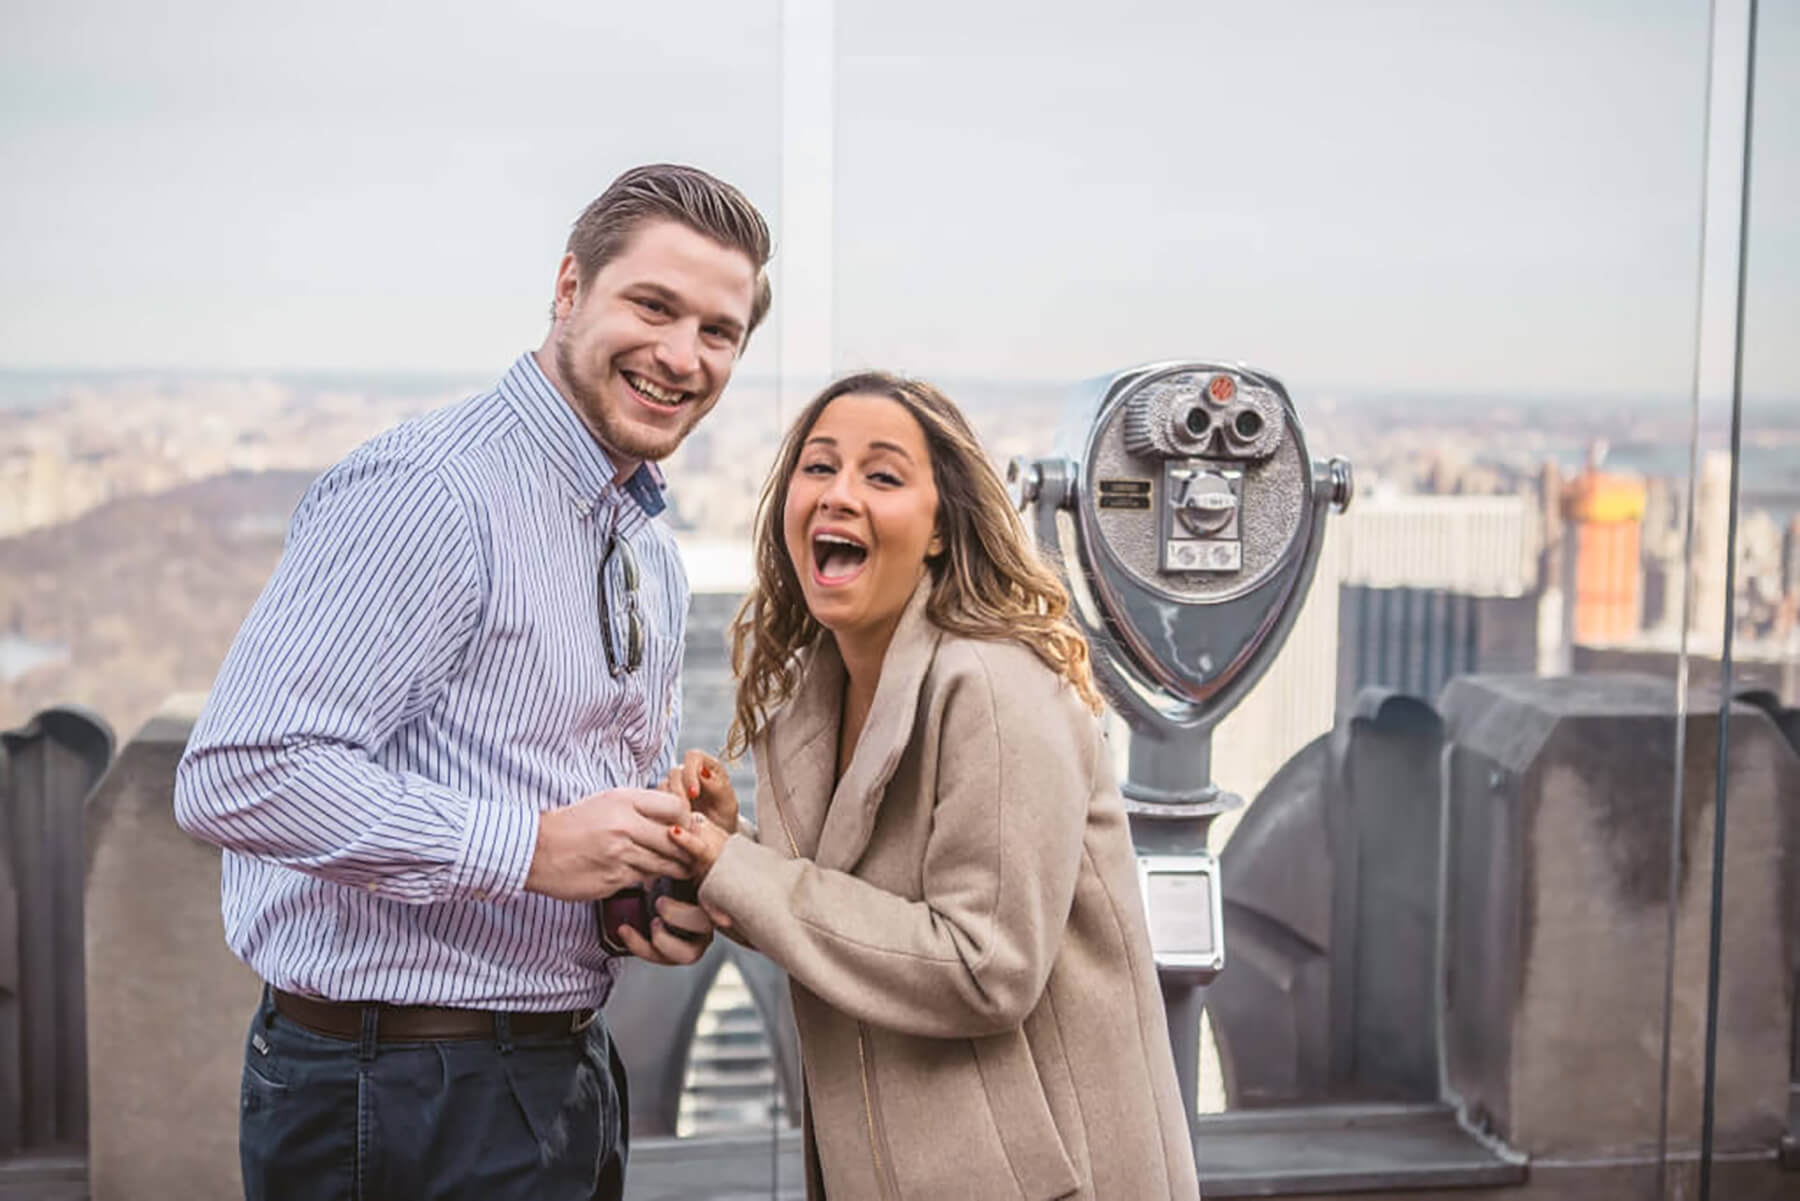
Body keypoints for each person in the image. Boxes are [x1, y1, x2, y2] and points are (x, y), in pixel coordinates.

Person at [172, 163, 773, 1201]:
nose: (682, 355)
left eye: (717, 332)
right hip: (403, 1090)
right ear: (570, 287)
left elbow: (547, 794)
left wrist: (641, 893)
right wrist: (533, 849)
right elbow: (238, 774)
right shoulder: (433, 492)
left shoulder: (642, 539)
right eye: (654, 305)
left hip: (554, 1071)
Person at [663, 372, 1202, 1199]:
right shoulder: (820, 692)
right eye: (818, 468)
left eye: (881, 476)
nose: (840, 494)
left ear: (942, 529)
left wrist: (742, 873)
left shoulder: (994, 685)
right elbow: (862, 921)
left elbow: (986, 961)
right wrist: (727, 853)